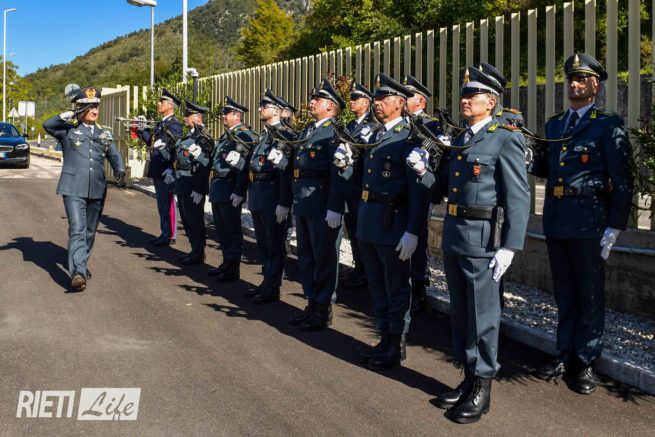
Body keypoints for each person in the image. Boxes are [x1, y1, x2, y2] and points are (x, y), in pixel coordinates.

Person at [409, 66, 530, 423]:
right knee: (461, 313)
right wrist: (423, 172)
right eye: (463, 94)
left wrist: (510, 247)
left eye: (472, 95)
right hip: (456, 235)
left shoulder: (505, 138)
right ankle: (467, 378)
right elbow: (440, 190)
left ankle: (482, 386)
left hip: (484, 241)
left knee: (483, 316)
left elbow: (518, 197)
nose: (465, 100)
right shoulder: (461, 139)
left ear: (491, 102)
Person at [531, 53, 633, 395]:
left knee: (589, 292)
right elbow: (546, 168)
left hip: (590, 220)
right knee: (563, 290)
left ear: (595, 86)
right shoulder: (555, 125)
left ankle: (586, 360)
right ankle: (564, 352)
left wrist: (615, 225)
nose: (574, 84)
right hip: (557, 217)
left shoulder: (607, 124)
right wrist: (528, 155)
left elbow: (622, 179)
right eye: (571, 79)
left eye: (582, 79)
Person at [335, 73, 429, 370]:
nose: (376, 103)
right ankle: (384, 339)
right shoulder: (374, 134)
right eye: (375, 99)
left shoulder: (410, 136)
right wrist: (345, 164)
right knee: (376, 285)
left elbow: (419, 190)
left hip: (393, 222)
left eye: (383, 98)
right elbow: (362, 179)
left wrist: (413, 231)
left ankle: (396, 345)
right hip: (369, 221)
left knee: (396, 287)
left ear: (400, 103)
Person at [268, 79, 345, 331]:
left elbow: (338, 173)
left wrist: (335, 206)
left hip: (321, 204)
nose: (311, 103)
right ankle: (311, 303)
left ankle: (323, 309)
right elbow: (298, 168)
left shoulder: (334, 132)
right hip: (303, 202)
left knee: (324, 258)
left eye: (317, 100)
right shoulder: (309, 130)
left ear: (330, 106)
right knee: (306, 257)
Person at [43, 86, 126, 290]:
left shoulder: (104, 133)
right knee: (77, 229)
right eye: (90, 107)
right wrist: (70, 114)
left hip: (97, 188)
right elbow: (48, 125)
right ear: (80, 109)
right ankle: (78, 272)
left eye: (96, 106)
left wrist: (120, 169)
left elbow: (114, 154)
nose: (95, 111)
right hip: (73, 188)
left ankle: (81, 263)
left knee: (89, 231)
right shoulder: (68, 130)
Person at [242, 89, 294, 304]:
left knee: (274, 245)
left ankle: (272, 287)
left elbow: (286, 173)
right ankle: (266, 282)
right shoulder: (264, 135)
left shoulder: (284, 135)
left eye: (264, 106)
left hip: (272, 195)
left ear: (276, 110)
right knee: (263, 244)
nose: (259, 109)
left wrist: (284, 202)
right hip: (258, 194)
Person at [403, 74, 444, 315]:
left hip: (420, 190)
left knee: (417, 237)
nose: (404, 100)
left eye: (408, 96)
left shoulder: (431, 125)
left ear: (421, 101)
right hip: (400, 192)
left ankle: (419, 287)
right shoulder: (401, 123)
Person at [208, 96, 257, 281]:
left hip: (229, 187)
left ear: (237, 116)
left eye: (227, 113)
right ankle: (226, 262)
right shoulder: (227, 135)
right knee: (221, 229)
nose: (223, 116)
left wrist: (239, 191)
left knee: (231, 230)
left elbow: (243, 167)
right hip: (219, 186)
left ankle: (233, 268)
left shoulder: (243, 135)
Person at [164, 100, 213, 265]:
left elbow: (203, 165)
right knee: (186, 219)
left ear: (198, 117)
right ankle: (194, 249)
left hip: (192, 185)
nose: (185, 118)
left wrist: (199, 189)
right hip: (182, 183)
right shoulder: (189, 136)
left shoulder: (203, 138)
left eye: (188, 115)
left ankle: (198, 252)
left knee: (195, 220)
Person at [340, 81, 378, 289]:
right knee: (352, 229)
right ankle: (358, 267)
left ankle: (365, 271)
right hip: (349, 186)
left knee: (363, 232)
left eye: (356, 98)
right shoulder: (349, 126)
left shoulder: (373, 126)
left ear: (367, 102)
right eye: (351, 98)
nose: (352, 101)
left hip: (362, 186)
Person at [137, 89, 182, 247]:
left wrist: (171, 167)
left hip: (165, 169)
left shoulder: (173, 124)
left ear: (170, 105)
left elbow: (175, 145)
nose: (158, 104)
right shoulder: (162, 123)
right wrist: (142, 130)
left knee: (167, 203)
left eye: (161, 102)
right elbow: (153, 143)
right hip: (158, 168)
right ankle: (164, 232)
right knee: (161, 204)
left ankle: (170, 234)